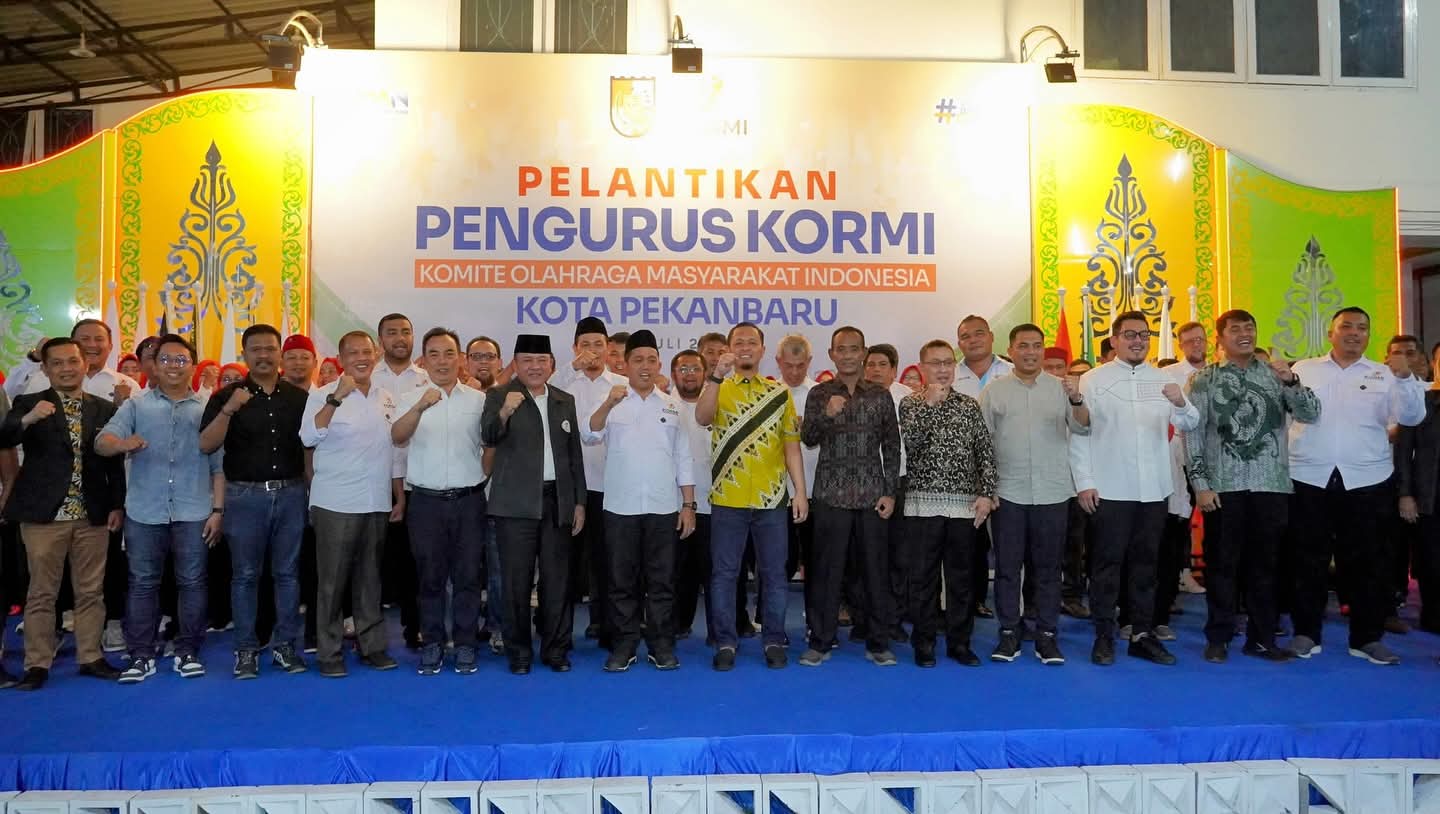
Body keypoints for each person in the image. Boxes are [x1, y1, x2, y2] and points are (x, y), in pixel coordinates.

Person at [1287, 307, 1424, 665]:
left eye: (1362, 328)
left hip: (1367, 480)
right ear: (1330, 333)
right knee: (1307, 560)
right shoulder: (1304, 370)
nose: (1354, 333)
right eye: (1346, 326)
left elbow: (1411, 417)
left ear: (1368, 335)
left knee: (1368, 563)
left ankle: (1366, 639)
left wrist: (1405, 379)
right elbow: (1285, 418)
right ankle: (1306, 633)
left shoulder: (1385, 373)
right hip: (1309, 477)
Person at [1185, 309, 1321, 663]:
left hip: (1270, 484)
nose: (1244, 333)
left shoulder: (1275, 375)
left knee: (1266, 567)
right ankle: (1219, 637)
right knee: (1222, 566)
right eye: (1235, 329)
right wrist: (1200, 484)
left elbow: (1310, 413)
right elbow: (1193, 434)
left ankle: (1262, 639)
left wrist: (1291, 380)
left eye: (1250, 327)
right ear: (1220, 338)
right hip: (1223, 486)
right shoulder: (1204, 379)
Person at [1069, 310, 1199, 667]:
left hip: (1154, 490)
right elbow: (1079, 436)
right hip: (1109, 488)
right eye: (1129, 334)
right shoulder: (1092, 380)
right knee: (1106, 566)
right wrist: (1085, 482)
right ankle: (1104, 635)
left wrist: (1180, 401)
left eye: (1143, 335)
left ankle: (1142, 634)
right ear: (1114, 340)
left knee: (1146, 565)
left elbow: (1190, 422)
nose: (1138, 341)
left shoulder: (1163, 379)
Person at [0, 337, 126, 690]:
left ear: (85, 363)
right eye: (57, 363)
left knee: (91, 591)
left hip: (92, 513)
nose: (66, 368)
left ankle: (91, 656)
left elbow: (113, 463)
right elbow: (4, 436)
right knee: (41, 592)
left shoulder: (103, 408)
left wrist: (117, 504)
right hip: (43, 515)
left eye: (73, 361)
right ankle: (37, 664)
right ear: (45, 368)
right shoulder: (28, 402)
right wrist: (27, 419)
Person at [96, 334, 223, 682]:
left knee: (193, 582)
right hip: (144, 510)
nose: (173, 366)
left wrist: (218, 511)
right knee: (141, 584)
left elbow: (219, 467)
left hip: (194, 510)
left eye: (181, 360)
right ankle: (141, 655)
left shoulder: (206, 408)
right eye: (165, 359)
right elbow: (102, 442)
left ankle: (187, 650)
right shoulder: (136, 406)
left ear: (193, 366)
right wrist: (122, 443)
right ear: (154, 365)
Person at [695, 322, 809, 671]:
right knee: (724, 575)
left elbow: (791, 447)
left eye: (752, 342)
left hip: (771, 500)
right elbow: (702, 417)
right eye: (738, 342)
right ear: (730, 349)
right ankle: (725, 642)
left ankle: (773, 639)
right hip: (727, 499)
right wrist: (716, 376)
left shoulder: (779, 394)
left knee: (774, 575)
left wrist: (800, 492)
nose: (745, 347)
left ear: (762, 350)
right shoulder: (718, 387)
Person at [200, 324, 310, 679]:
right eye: (256, 349)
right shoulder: (227, 396)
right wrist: (230, 410)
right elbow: (206, 444)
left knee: (288, 575)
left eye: (270, 349)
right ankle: (245, 649)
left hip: (292, 494)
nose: (263, 355)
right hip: (244, 496)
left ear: (280, 354)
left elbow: (309, 448)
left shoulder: (298, 397)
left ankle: (285, 646)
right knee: (245, 575)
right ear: (245, 354)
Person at [585, 330, 696, 671]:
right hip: (621, 506)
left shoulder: (673, 405)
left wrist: (688, 505)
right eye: (637, 360)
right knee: (621, 581)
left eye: (651, 360)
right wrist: (608, 403)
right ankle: (624, 644)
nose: (645, 367)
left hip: (663, 507)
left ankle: (661, 644)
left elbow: (683, 457)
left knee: (662, 581)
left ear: (659, 364)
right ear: (626, 364)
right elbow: (590, 433)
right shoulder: (610, 399)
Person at [301, 330, 405, 677]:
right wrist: (335, 399)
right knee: (332, 583)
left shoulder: (385, 396)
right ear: (342, 358)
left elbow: (392, 449)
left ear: (375, 355)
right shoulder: (322, 394)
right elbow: (308, 437)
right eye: (353, 353)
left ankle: (372, 647)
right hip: (336, 502)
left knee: (370, 579)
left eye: (366, 352)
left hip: (375, 500)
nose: (361, 358)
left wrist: (398, 494)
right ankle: (329, 652)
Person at [482, 334, 588, 675]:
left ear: (551, 365)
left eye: (542, 361)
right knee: (516, 582)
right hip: (515, 505)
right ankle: (518, 651)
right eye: (527, 360)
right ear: (516, 364)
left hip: (558, 501)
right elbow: (488, 436)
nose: (535, 367)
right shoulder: (499, 395)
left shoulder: (563, 399)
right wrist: (505, 411)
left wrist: (579, 502)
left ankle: (556, 649)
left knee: (558, 581)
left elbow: (574, 456)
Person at [799, 326, 901, 667]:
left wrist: (890, 492)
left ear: (863, 353)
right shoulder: (819, 393)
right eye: (840, 349)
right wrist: (827, 415)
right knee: (826, 574)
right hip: (831, 495)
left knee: (875, 573)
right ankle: (820, 641)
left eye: (853, 349)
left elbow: (892, 446)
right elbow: (808, 437)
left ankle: (878, 642)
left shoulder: (880, 395)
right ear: (831, 354)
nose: (847, 355)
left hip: (872, 496)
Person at [390, 328, 489, 675]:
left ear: (460, 359)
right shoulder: (410, 397)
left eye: (449, 354)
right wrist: (420, 406)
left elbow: (490, 444)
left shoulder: (478, 400)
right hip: (426, 503)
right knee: (430, 578)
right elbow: (397, 436)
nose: (442, 361)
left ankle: (465, 645)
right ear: (424, 360)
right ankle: (432, 643)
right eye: (434, 354)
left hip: (469, 501)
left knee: (468, 577)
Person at [980, 324, 1080, 666]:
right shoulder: (994, 391)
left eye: (1037, 346)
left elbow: (1083, 426)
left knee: (1049, 569)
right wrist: (986, 489)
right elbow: (982, 444)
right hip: (1007, 492)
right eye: (1023, 345)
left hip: (1053, 492)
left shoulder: (1060, 388)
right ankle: (1009, 632)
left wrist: (1077, 398)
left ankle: (1047, 634)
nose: (1031, 352)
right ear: (1011, 350)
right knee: (1007, 568)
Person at [899, 339, 998, 668]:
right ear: (922, 368)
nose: (942, 369)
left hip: (963, 507)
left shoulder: (969, 405)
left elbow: (985, 452)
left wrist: (986, 492)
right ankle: (924, 642)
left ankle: (960, 643)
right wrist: (930, 405)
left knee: (962, 579)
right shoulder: (910, 404)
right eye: (935, 363)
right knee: (922, 579)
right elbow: (910, 446)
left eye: (947, 363)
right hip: (922, 506)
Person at [551, 317, 624, 646]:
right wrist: (572, 368)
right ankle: (558, 633)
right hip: (568, 485)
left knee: (607, 562)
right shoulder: (563, 383)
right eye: (585, 345)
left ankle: (606, 627)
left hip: (610, 484)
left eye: (598, 345)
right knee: (564, 563)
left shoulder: (622, 384)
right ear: (574, 348)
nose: (592, 351)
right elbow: (542, 393)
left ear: (609, 349)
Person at [372, 313, 429, 650]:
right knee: (368, 561)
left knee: (414, 560)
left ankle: (415, 627)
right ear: (381, 340)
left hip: (413, 480)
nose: (399, 338)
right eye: (392, 333)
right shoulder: (366, 377)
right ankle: (364, 630)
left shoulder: (427, 379)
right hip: (370, 480)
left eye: (405, 332)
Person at [1395, 343, 1440, 636]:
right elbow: (1403, 452)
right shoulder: (1420, 401)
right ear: (1434, 363)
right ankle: (1434, 615)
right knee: (1431, 560)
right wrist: (1405, 494)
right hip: (1429, 495)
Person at [465, 335, 507, 651]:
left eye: (489, 356)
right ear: (465, 361)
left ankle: (497, 626)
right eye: (476, 356)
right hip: (461, 497)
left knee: (499, 571)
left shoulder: (510, 400)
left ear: (500, 363)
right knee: (462, 570)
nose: (483, 362)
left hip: (497, 498)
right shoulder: (455, 398)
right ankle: (461, 628)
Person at [670, 350, 714, 642]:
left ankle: (720, 630)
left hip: (714, 502)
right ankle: (676, 625)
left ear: (705, 373)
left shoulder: (717, 404)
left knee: (715, 572)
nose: (689, 374)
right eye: (683, 369)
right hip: (674, 504)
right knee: (676, 571)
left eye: (695, 368)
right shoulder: (665, 405)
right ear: (674, 374)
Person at [776, 334, 818, 598]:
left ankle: (819, 617)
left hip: (817, 491)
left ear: (809, 361)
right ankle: (768, 615)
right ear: (778, 361)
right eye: (788, 365)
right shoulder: (768, 395)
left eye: (800, 365)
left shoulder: (821, 394)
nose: (794, 372)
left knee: (818, 562)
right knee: (779, 563)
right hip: (778, 495)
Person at [19, 320, 139, 404]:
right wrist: (34, 357)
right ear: (72, 344)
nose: (92, 345)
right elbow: (12, 396)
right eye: (85, 339)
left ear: (110, 346)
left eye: (99, 339)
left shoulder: (129, 385)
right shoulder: (42, 379)